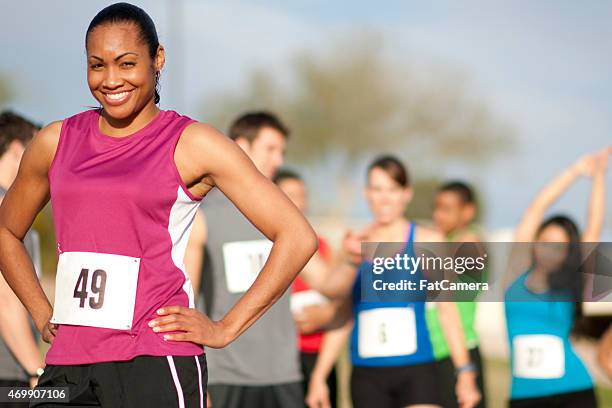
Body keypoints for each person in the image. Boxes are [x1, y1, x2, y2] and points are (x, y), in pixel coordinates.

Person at [0, 3, 317, 407]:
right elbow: (6, 231)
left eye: (127, 63)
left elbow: (296, 236)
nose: (111, 79)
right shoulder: (55, 141)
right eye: (97, 65)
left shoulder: (193, 143)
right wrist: (41, 311)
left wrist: (226, 328)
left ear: (158, 59)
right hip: (68, 361)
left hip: (154, 357)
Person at [302, 155, 481, 408]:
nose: (384, 198)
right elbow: (343, 314)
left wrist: (465, 372)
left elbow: (447, 311)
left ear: (406, 194)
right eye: (377, 189)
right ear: (367, 193)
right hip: (367, 377)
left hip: (416, 371)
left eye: (392, 189)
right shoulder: (354, 246)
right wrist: (319, 376)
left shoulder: (427, 240)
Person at [192, 113, 307, 408]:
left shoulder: (286, 218)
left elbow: (328, 280)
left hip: (283, 376)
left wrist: (376, 251)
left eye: (282, 152)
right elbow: (184, 302)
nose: (279, 160)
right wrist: (194, 378)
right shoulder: (200, 217)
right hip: (223, 378)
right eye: (271, 149)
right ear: (241, 147)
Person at [504, 148, 610, 408]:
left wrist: (598, 177)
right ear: (535, 241)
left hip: (573, 391)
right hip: (523, 397)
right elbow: (535, 209)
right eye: (546, 241)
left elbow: (594, 225)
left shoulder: (570, 284)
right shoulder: (515, 276)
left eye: (560, 247)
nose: (551, 250)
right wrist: (575, 171)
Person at [274, 169, 340, 407]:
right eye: (291, 195)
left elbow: (338, 300)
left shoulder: (320, 245)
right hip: (281, 358)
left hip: (318, 356)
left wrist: (327, 314)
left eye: (303, 195)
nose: (299, 202)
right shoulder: (265, 245)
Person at [427, 181, 486, 408]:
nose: (438, 215)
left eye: (446, 209)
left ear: (468, 211)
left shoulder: (470, 242)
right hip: (433, 352)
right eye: (436, 207)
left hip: (460, 353)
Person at [0, 111, 45, 407]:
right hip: (10, 374)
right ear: (18, 150)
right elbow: (5, 300)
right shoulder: (10, 214)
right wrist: (37, 373)